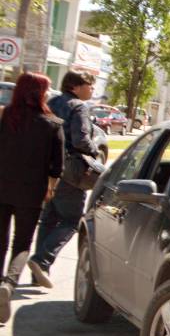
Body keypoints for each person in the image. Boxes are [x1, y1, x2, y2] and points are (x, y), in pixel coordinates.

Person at [0, 74, 64, 323]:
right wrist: (50, 188)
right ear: (40, 93)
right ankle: (9, 283)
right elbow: (57, 167)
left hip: (2, 187)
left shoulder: (4, 116)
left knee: (1, 240)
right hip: (31, 191)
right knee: (22, 243)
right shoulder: (52, 124)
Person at [28, 71, 100, 289]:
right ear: (76, 86)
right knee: (71, 219)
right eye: (90, 85)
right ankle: (41, 260)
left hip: (46, 168)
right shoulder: (79, 106)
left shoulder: (52, 102)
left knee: (49, 217)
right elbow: (80, 140)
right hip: (70, 171)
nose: (92, 89)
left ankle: (38, 271)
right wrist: (94, 150)